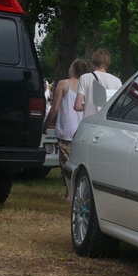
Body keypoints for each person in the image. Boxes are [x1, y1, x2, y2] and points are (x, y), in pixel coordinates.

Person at [44, 59, 91, 198]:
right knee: (79, 163)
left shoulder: (63, 84)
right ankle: (77, 191)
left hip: (66, 130)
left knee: (66, 164)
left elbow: (54, 108)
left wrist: (46, 124)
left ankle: (69, 192)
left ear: (72, 69)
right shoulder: (87, 86)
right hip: (82, 130)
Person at [74, 49, 122, 115]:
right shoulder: (117, 81)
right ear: (108, 63)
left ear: (93, 62)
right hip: (106, 122)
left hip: (90, 121)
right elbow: (118, 106)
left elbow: (77, 107)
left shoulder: (85, 78)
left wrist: (89, 106)